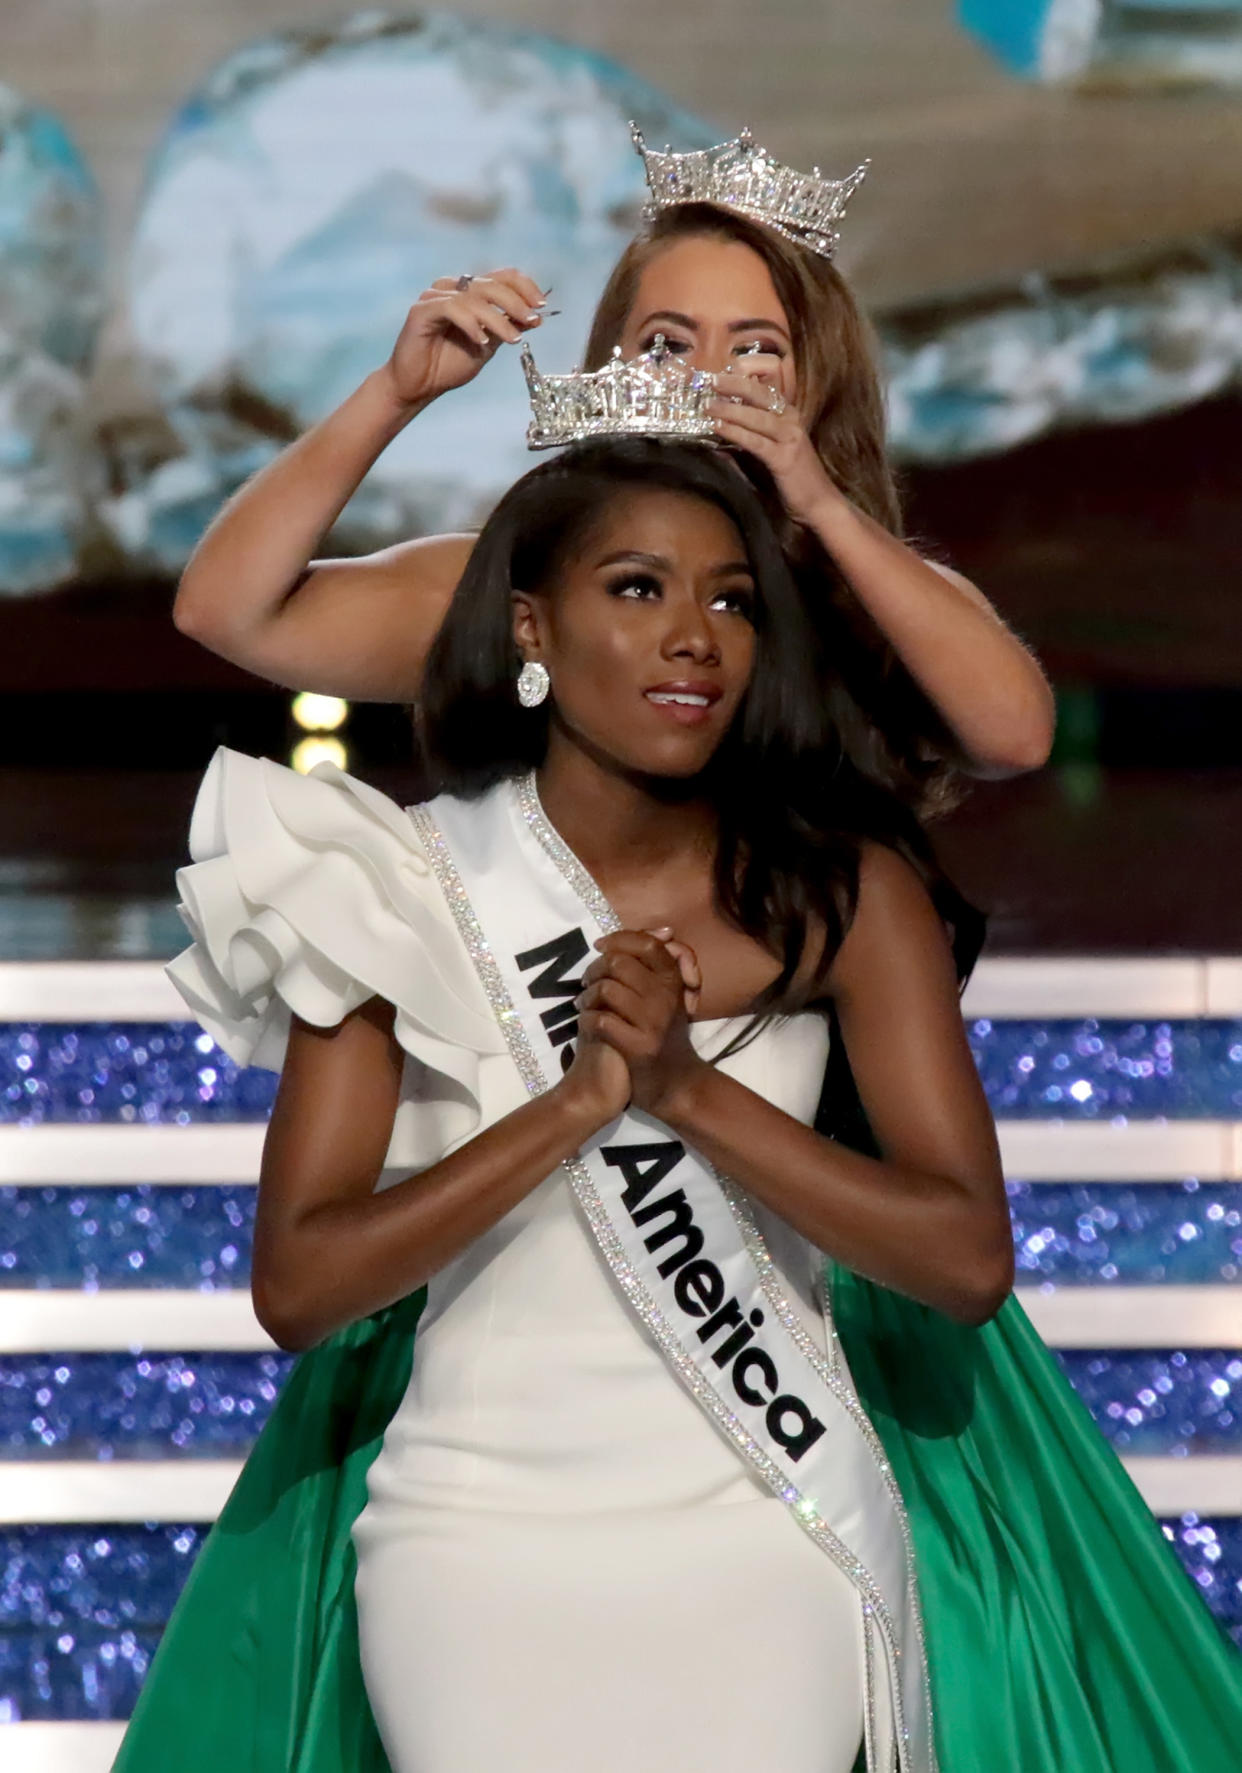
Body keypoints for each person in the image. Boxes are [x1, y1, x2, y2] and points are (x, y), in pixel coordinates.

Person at [113, 437, 1241, 1773]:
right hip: (476, 1542)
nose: (692, 637)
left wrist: (684, 1091)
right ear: (532, 627)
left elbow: (963, 1260)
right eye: (637, 590)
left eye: (730, 599)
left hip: (768, 1523)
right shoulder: (388, 885)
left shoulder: (844, 894)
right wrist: (577, 1103)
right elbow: (299, 1285)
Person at [170, 154, 1055, 798]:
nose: (707, 377)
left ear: (817, 379)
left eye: (757, 347)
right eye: (669, 343)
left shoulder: (869, 595)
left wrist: (821, 506)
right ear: (609, 362)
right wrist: (392, 396)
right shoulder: (524, 586)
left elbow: (1014, 735)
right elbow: (226, 611)